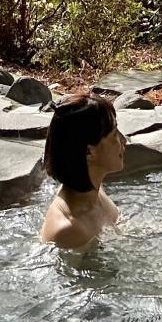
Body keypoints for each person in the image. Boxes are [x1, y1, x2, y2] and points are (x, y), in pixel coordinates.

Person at [37, 94, 125, 250]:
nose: (123, 140)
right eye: (114, 135)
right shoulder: (68, 230)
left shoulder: (95, 192)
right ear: (89, 152)